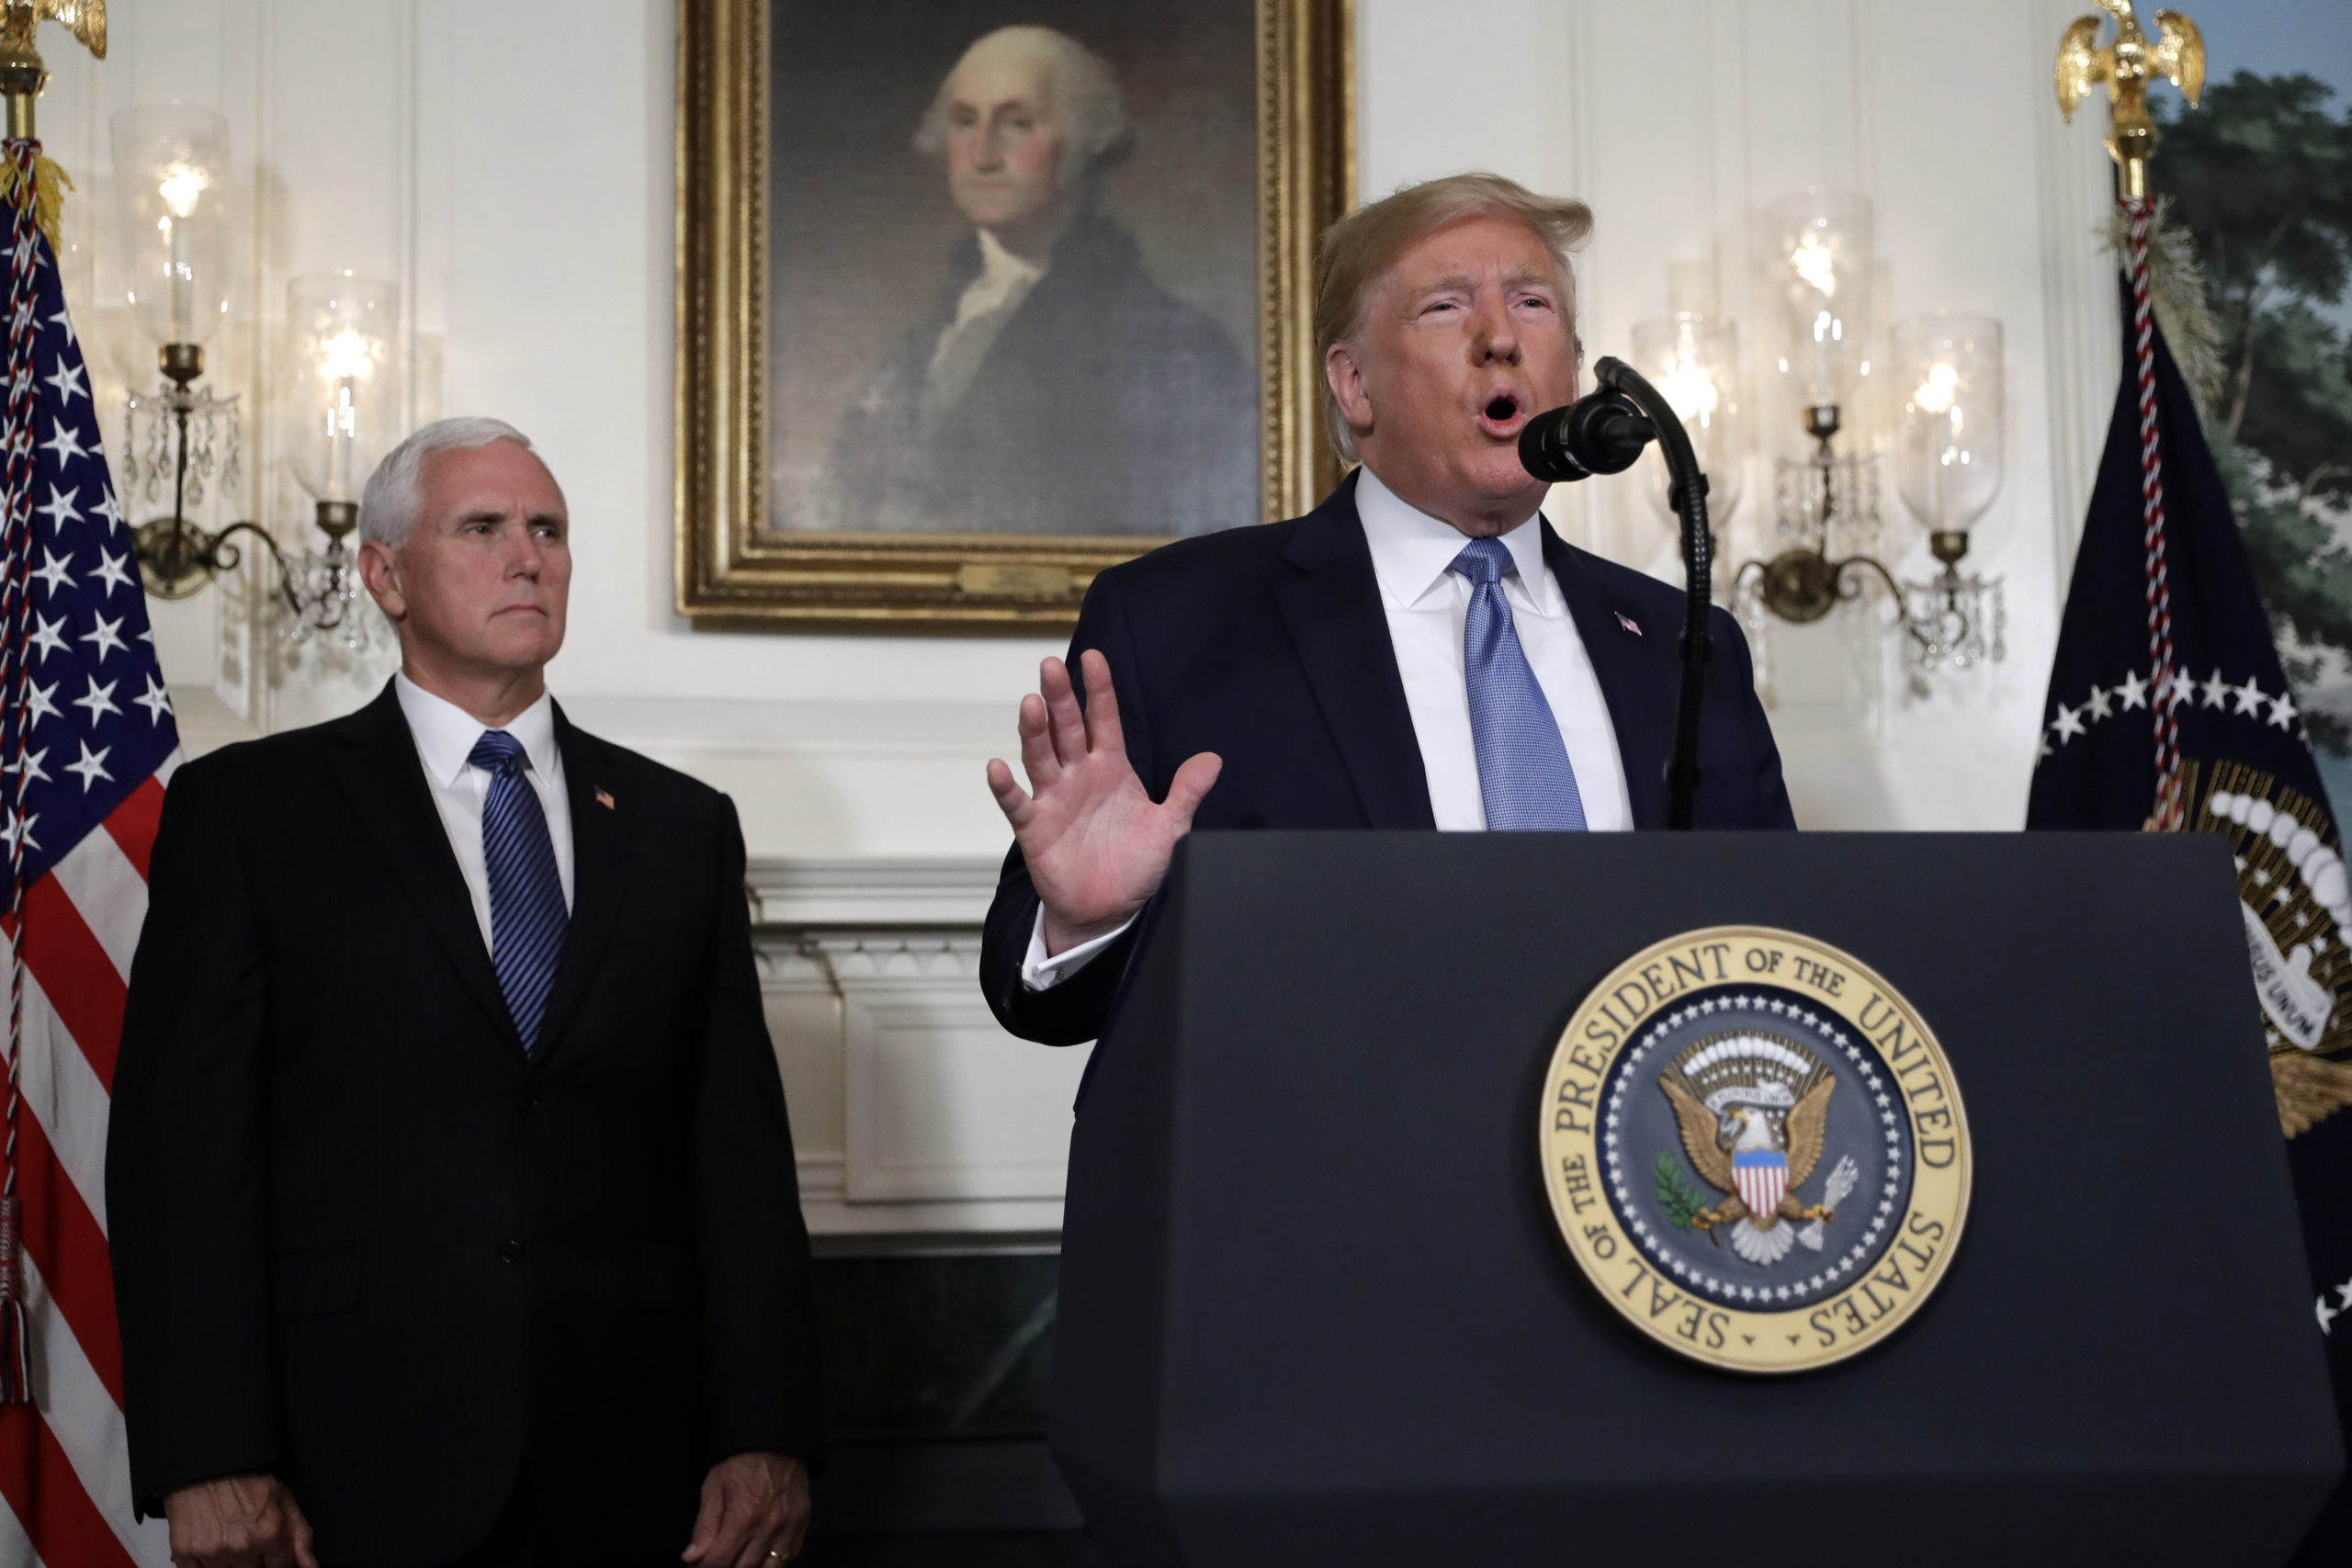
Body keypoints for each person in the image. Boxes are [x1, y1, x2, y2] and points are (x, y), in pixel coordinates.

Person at [109, 419, 822, 1567]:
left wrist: (767, 1433)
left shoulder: (681, 828)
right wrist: (207, 1453)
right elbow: (183, 1162)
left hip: (641, 1470)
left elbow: (735, 1162)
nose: (526, 557)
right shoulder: (251, 814)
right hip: (350, 1463)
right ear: (384, 573)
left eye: (547, 530)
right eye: (482, 528)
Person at [978, 173, 1797, 1046]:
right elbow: (1041, 1002)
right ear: (1354, 384)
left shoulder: (1681, 644)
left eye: (1532, 302)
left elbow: (1777, 948)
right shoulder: (1177, 622)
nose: (1500, 339)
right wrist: (1087, 923)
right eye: (1445, 308)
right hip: (1326, 1168)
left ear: (1572, 370)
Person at [818, 24, 1254, 537]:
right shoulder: (928, 333)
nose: (982, 153)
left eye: (1018, 123)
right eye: (964, 121)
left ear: (1085, 140)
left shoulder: (1174, 347)